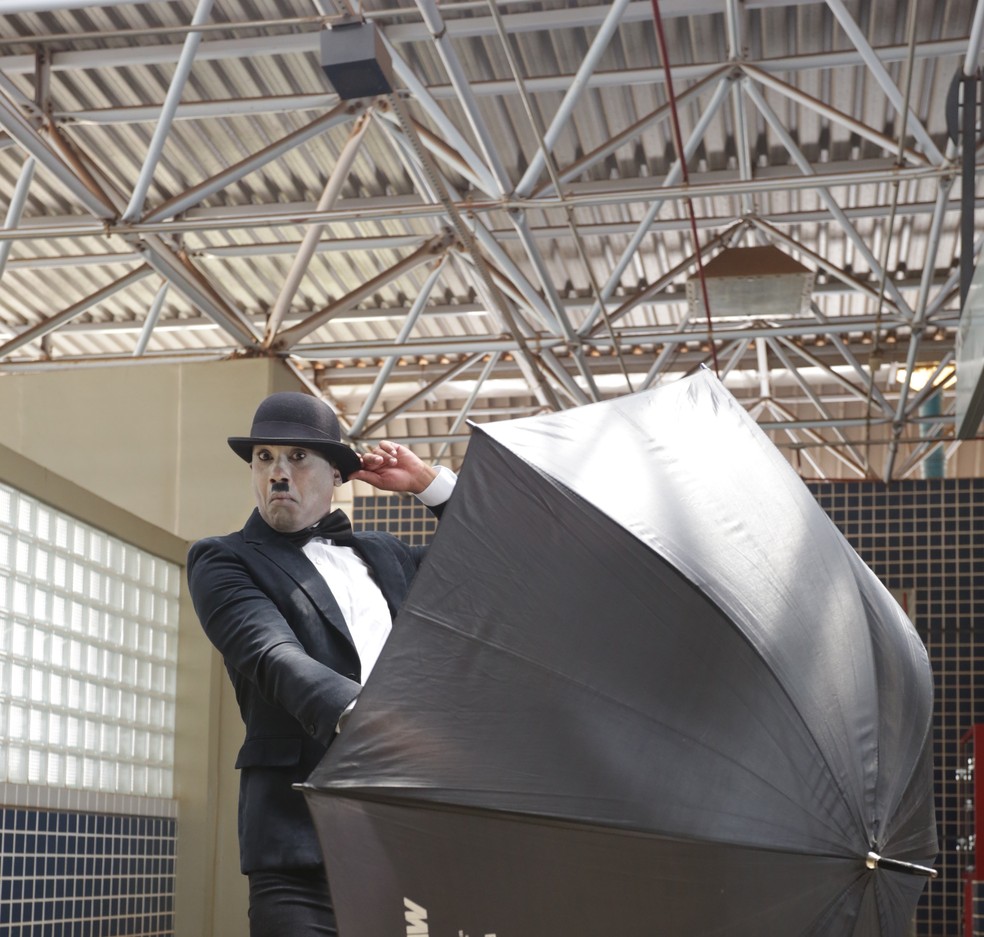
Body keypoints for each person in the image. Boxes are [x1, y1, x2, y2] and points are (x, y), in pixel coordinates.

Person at [186, 391, 456, 937]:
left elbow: (490, 558)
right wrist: (370, 720)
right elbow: (271, 654)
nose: (278, 473)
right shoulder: (223, 557)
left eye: (298, 457)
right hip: (297, 846)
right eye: (265, 458)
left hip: (404, 836)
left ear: (337, 474)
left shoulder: (386, 554)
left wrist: (429, 485)